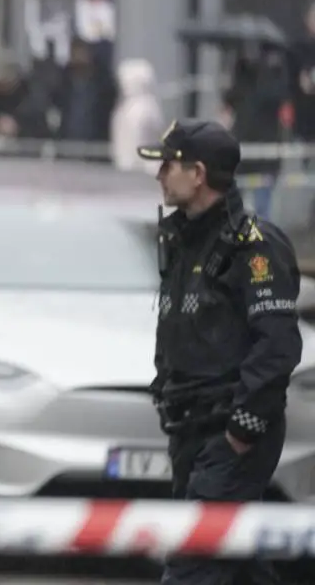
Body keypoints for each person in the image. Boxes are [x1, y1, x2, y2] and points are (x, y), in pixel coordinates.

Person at [138, 119, 302, 585]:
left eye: (167, 165)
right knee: (234, 565)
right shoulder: (183, 240)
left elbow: (278, 346)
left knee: (192, 567)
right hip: (189, 431)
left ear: (198, 173)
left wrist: (239, 432)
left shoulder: (254, 248)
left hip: (228, 434)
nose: (159, 176)